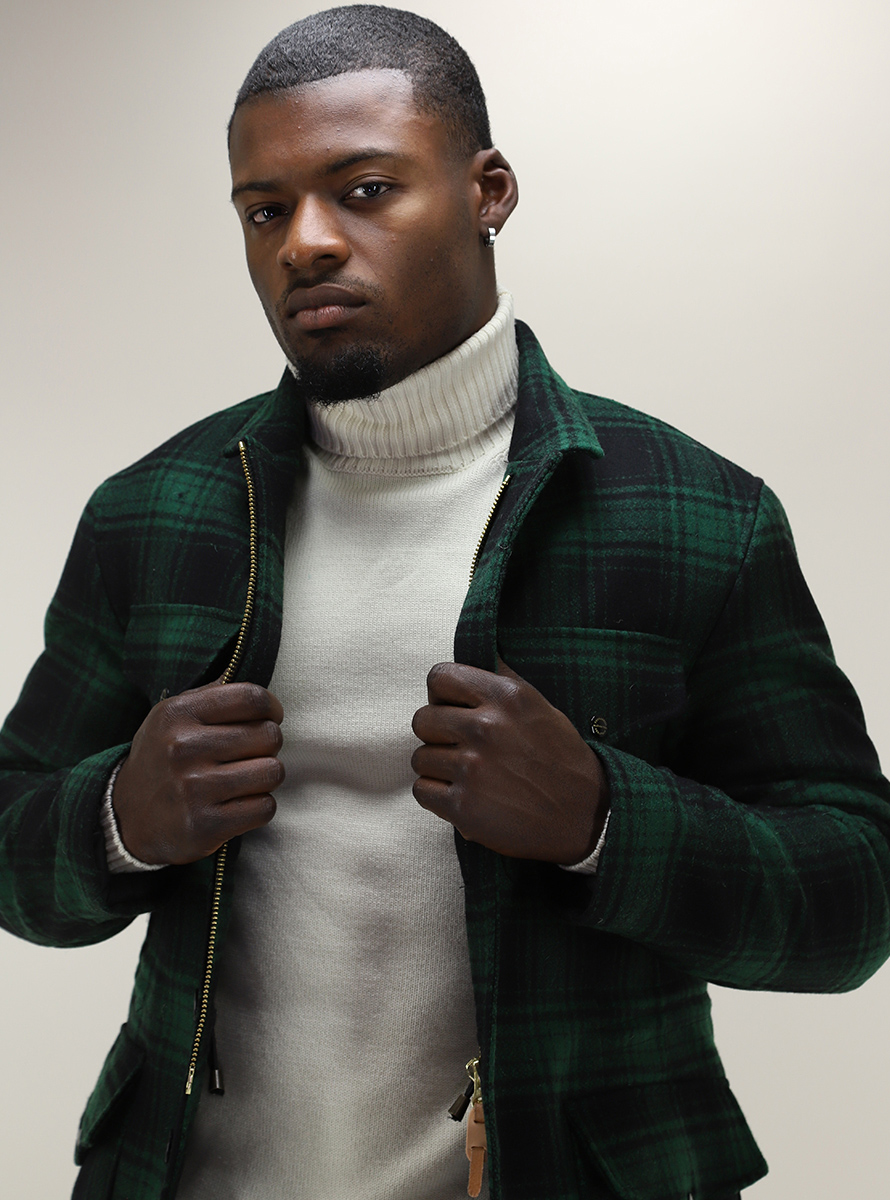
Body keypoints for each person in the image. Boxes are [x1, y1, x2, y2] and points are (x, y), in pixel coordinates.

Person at [0, 6, 888, 1199]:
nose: (306, 243)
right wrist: (118, 816)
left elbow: (852, 901)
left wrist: (603, 819)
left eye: (364, 190)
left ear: (487, 191)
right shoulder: (149, 514)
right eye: (264, 210)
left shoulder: (697, 515)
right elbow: (11, 852)